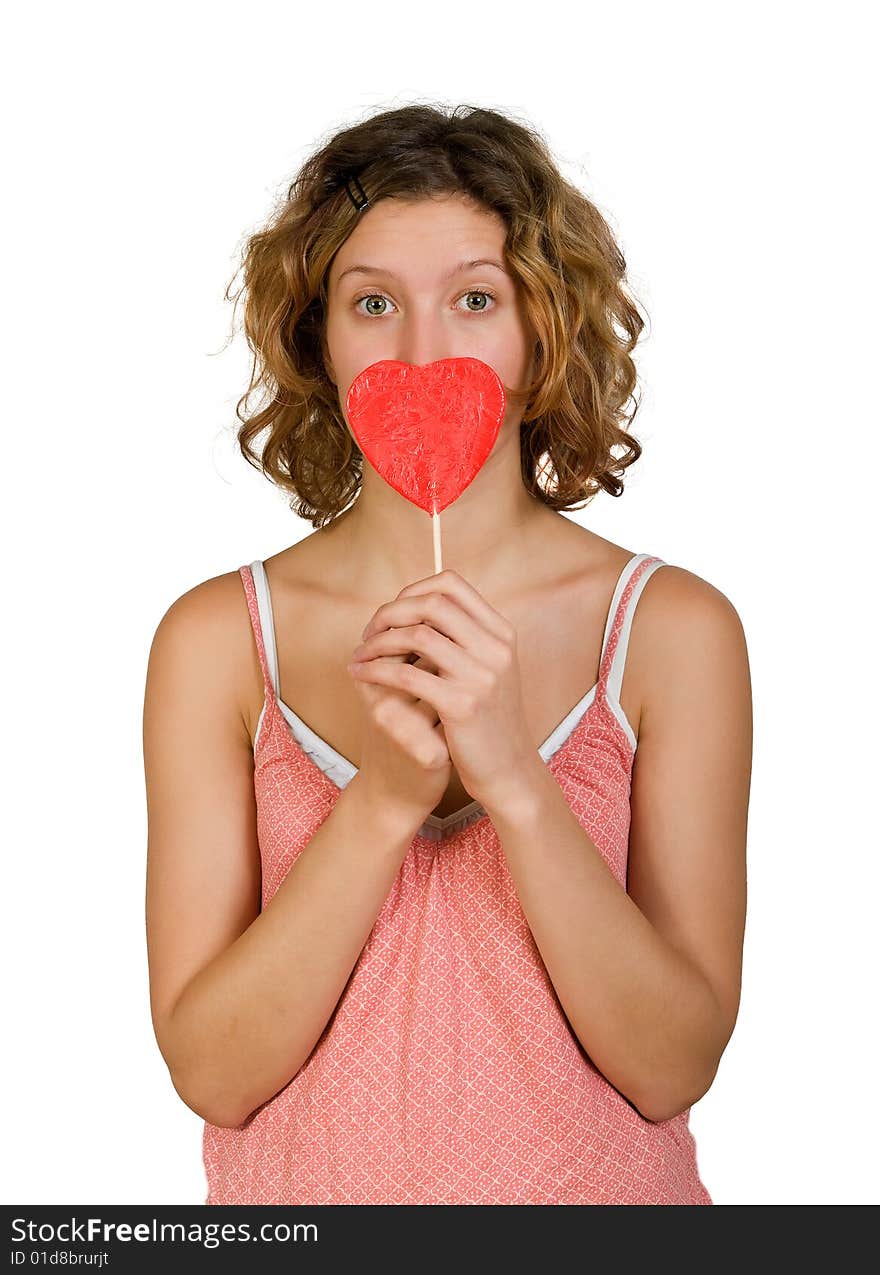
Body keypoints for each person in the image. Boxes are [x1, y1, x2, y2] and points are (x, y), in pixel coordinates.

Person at [142, 103, 752, 1206]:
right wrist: (381, 801)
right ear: (316, 338)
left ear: (543, 328)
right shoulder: (217, 641)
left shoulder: (671, 631)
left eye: (476, 298)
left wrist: (515, 777)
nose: (423, 350)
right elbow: (214, 1075)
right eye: (373, 303)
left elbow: (672, 1066)